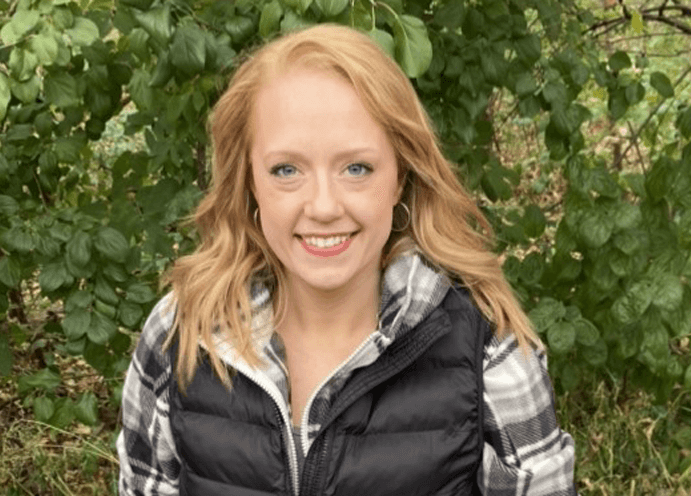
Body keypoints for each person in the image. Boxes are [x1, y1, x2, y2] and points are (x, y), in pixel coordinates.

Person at [117, 24, 576, 496]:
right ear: (249, 180)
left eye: (356, 168)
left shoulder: (487, 348)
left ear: (400, 176)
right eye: (286, 170)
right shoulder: (181, 333)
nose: (323, 206)